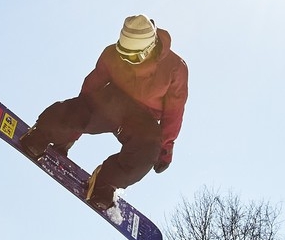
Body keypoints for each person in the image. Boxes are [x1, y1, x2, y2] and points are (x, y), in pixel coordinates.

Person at [19, 15, 188, 213]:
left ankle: (104, 184)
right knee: (80, 109)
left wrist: (165, 150)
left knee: (147, 150)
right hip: (111, 103)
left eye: (133, 58)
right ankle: (41, 135)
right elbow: (88, 93)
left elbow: (174, 112)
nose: (128, 61)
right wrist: (69, 132)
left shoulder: (175, 68)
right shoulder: (111, 54)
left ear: (148, 50)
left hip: (141, 120)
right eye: (123, 55)